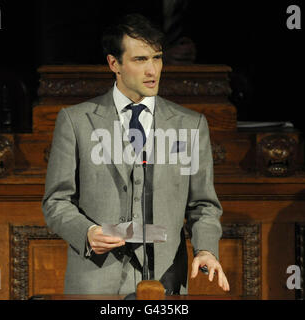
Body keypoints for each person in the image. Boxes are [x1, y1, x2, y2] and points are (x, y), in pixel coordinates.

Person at [42, 13, 229, 295]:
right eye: (140, 60)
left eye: (157, 58)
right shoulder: (76, 121)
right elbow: (56, 201)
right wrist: (87, 232)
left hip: (166, 280)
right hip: (95, 280)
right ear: (114, 63)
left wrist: (206, 249)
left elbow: (203, 205)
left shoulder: (190, 124)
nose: (153, 70)